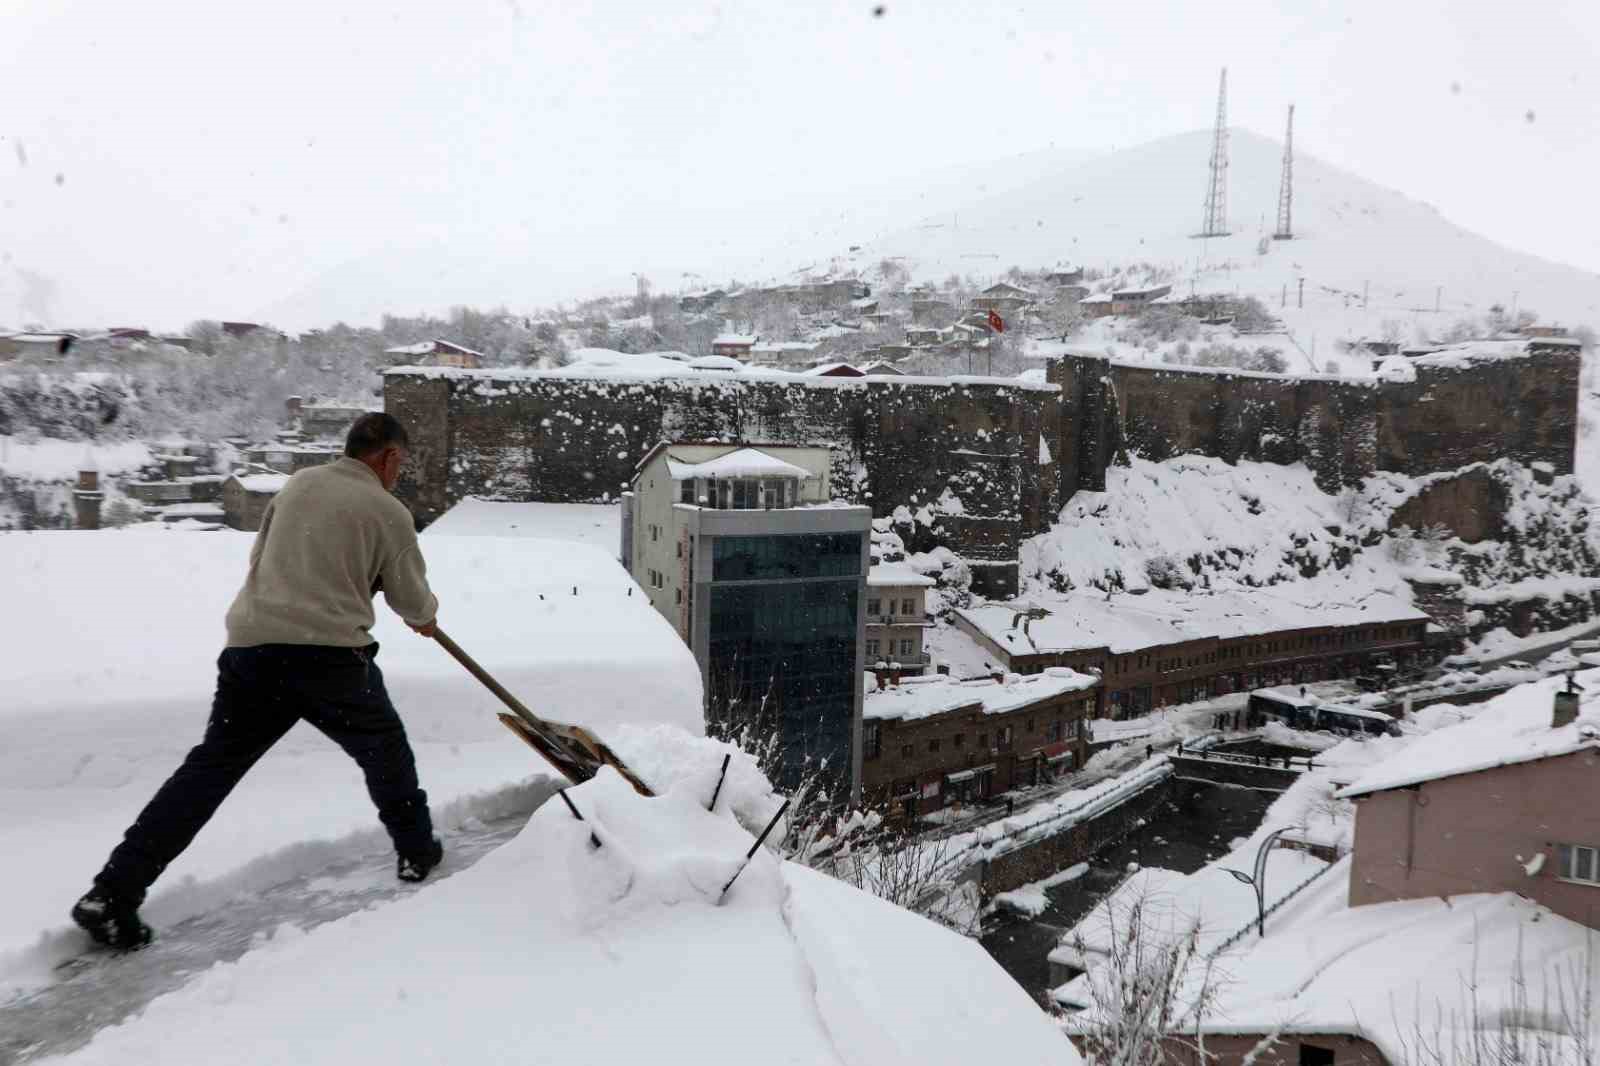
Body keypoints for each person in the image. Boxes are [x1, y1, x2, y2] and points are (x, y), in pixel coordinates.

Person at [71, 413, 444, 950]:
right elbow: (411, 600)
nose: (398, 475)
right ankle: (416, 851)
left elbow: (266, 559)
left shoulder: (298, 486)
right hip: (329, 659)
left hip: (252, 651)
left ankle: (112, 891)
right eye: (400, 464)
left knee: (207, 773)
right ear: (387, 457)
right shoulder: (388, 511)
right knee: (385, 751)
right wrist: (423, 614)